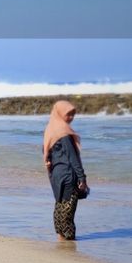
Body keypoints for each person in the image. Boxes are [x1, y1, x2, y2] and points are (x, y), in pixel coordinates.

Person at [43, 99, 87, 241]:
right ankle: (69, 246)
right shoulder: (64, 133)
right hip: (68, 175)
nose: (71, 118)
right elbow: (73, 158)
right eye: (68, 114)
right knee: (68, 211)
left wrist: (49, 159)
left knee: (60, 208)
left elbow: (44, 149)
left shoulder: (50, 129)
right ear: (60, 113)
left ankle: (61, 240)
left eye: (72, 115)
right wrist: (82, 177)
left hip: (56, 176)